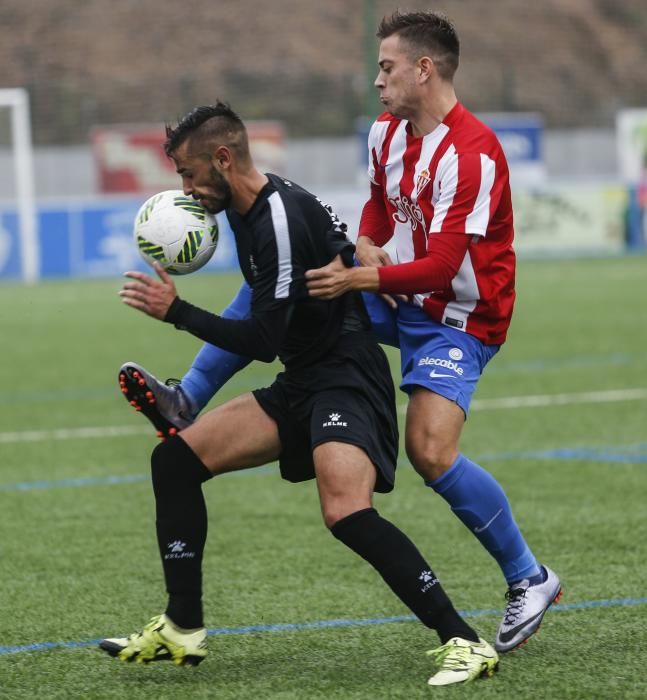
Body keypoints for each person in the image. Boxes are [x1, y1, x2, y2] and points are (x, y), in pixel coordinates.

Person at [119, 11, 561, 656]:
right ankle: (186, 397)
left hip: (457, 318)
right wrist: (366, 244)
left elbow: (441, 267)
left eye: (386, 67)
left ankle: (529, 576)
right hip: (394, 292)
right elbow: (379, 207)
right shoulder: (387, 133)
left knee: (430, 451)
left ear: (423, 69)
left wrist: (358, 280)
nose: (377, 79)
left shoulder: (474, 155)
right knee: (289, 284)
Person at [101, 102, 500, 687]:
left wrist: (177, 312)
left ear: (223, 158)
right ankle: (182, 627)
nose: (184, 189)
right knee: (175, 461)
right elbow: (295, 294)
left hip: (346, 377)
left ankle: (464, 641)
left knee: (346, 512)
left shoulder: (276, 217)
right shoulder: (246, 209)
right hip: (304, 378)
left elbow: (262, 339)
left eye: (188, 174)